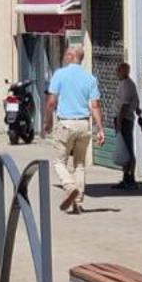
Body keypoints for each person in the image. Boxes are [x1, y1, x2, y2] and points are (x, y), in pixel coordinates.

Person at [44, 44, 105, 214]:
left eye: (66, 54)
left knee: (59, 161)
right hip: (84, 125)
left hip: (66, 124)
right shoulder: (90, 78)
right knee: (79, 164)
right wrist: (100, 128)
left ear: (71, 56)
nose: (64, 56)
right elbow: (95, 105)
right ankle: (77, 201)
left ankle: (70, 187)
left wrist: (48, 121)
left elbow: (51, 102)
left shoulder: (60, 75)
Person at [112, 62, 142, 190]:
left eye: (119, 70)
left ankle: (130, 178)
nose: (117, 72)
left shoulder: (127, 85)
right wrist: (137, 109)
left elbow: (125, 105)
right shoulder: (124, 84)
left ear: (125, 71)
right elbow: (135, 101)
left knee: (127, 148)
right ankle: (125, 177)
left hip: (125, 119)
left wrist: (120, 121)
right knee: (124, 148)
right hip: (122, 119)